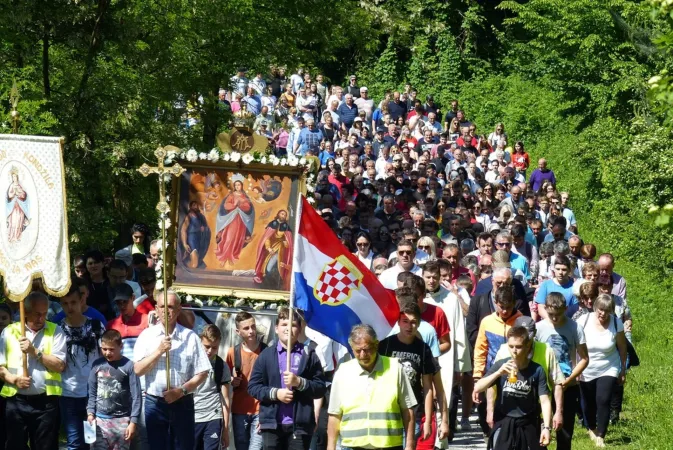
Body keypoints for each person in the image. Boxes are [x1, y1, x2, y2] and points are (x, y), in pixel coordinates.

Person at [133, 289, 211, 450]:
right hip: (155, 403)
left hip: (182, 402)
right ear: (156, 309)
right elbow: (138, 370)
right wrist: (159, 351)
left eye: (170, 306)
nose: (166, 311)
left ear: (178, 309)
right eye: (162, 306)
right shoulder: (146, 336)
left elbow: (203, 372)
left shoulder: (191, 337)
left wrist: (181, 391)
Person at [248, 306, 327, 450]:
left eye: (293, 325)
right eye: (284, 324)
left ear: (300, 329)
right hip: (272, 425)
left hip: (300, 427)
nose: (288, 329)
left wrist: (300, 382)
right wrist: (276, 393)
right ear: (276, 328)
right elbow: (253, 387)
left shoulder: (309, 355)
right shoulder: (265, 356)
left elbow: (320, 388)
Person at [327, 324, 417, 450]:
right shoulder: (342, 372)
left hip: (389, 446)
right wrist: (331, 447)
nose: (363, 354)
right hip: (352, 446)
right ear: (352, 349)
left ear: (376, 345)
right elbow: (334, 415)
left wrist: (409, 445)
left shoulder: (395, 368)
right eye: (358, 350)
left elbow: (408, 410)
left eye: (367, 349)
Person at [0, 291, 66, 450]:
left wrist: (34, 351)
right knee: (15, 446)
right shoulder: (9, 332)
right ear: (26, 312)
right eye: (37, 314)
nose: (41, 319)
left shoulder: (55, 331)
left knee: (45, 446)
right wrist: (14, 380)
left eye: (44, 314)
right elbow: (1, 368)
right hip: (16, 402)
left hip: (45, 403)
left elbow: (60, 366)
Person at [379, 301, 448, 450]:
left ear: (419, 323)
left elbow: (429, 387)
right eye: (405, 321)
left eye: (413, 322)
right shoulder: (386, 346)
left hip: (413, 413)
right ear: (398, 322)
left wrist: (428, 421)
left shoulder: (423, 349)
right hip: (388, 412)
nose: (409, 326)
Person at [474, 326, 552, 450]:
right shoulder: (501, 365)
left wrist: (547, 428)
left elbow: (544, 400)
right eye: (511, 346)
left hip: (528, 423)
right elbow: (478, 388)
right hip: (504, 422)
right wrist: (498, 373)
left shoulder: (537, 370)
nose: (514, 350)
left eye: (518, 347)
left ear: (527, 347)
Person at [535, 292, 589, 450]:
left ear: (566, 309)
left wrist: (569, 379)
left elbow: (584, 358)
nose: (555, 318)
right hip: (543, 386)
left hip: (568, 385)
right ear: (545, 309)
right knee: (541, 431)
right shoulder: (538, 328)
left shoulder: (574, 327)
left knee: (565, 434)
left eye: (558, 314)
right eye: (551, 314)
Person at [59, 283, 105, 450]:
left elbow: (104, 357)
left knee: (91, 440)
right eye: (65, 303)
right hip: (68, 392)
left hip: (92, 393)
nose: (69, 307)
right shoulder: (58, 330)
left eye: (73, 302)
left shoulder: (96, 326)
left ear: (81, 301)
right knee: (73, 442)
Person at [578, 294, 628, 448]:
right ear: (595, 308)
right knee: (588, 402)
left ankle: (601, 435)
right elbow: (575, 345)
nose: (603, 314)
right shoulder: (583, 320)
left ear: (612, 311)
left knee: (603, 399)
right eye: (600, 310)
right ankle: (591, 427)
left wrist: (622, 369)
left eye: (607, 311)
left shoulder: (616, 323)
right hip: (586, 367)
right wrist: (576, 368)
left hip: (609, 366)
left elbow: (622, 348)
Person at [472, 286, 523, 435]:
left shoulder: (521, 321)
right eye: (502, 307)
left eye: (509, 307)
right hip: (491, 374)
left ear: (514, 303)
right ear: (495, 302)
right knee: (485, 412)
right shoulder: (487, 321)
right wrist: (477, 377)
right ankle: (490, 439)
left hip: (514, 376)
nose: (505, 311)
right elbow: (480, 350)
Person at [87, 329, 142, 450]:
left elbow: (136, 396)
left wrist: (133, 422)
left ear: (121, 346)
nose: (107, 353)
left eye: (112, 349)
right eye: (104, 349)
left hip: (122, 421)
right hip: (99, 420)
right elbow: (92, 392)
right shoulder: (97, 365)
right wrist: (90, 413)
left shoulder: (129, 366)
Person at [226, 312, 266, 450]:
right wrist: (232, 380)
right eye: (246, 328)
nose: (251, 331)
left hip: (260, 409)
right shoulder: (233, 352)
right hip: (239, 410)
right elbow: (224, 378)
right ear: (238, 332)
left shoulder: (266, 351)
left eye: (253, 326)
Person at [193, 325, 231, 450]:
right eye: (207, 346)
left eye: (214, 348)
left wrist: (225, 430)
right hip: (192, 417)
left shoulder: (222, 366)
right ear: (200, 342)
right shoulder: (191, 362)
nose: (210, 351)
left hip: (213, 417)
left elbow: (225, 399)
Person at [108, 284, 149, 360]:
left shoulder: (146, 320)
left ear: (133, 297)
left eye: (125, 301)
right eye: (119, 302)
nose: (122, 306)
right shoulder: (111, 325)